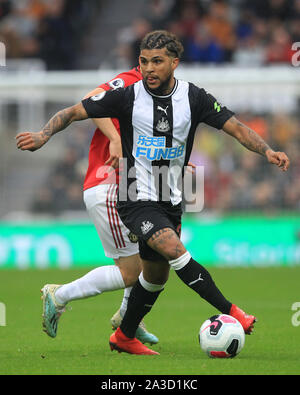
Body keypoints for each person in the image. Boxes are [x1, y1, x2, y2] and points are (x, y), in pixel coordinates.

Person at [16, 30, 290, 355]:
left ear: (174, 62)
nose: (149, 69)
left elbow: (236, 128)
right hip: (135, 197)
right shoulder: (127, 96)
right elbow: (74, 111)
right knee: (175, 251)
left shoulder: (194, 97)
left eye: (157, 62)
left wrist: (268, 151)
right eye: (144, 61)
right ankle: (234, 312)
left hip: (170, 198)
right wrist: (44, 134)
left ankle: (125, 335)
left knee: (154, 277)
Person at [16, 66, 159, 345]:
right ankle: (59, 296)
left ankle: (128, 318)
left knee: (150, 255)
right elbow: (92, 99)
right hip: (109, 185)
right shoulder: (131, 81)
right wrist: (115, 139)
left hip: (130, 186)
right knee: (132, 271)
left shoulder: (158, 96)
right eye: (152, 61)